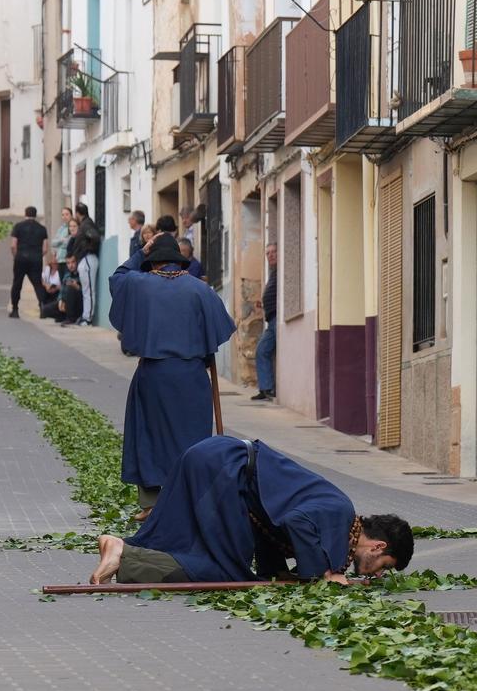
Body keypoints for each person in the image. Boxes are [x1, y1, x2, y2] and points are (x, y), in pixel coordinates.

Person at [90, 435, 413, 585]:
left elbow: (268, 529)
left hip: (215, 458)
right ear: (378, 546)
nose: (378, 572)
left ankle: (122, 548)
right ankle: (124, 555)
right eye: (385, 564)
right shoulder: (340, 513)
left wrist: (276, 573)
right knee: (223, 570)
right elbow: (296, 521)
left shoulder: (339, 519)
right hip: (227, 469)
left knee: (180, 539)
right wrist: (322, 575)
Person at [109, 234, 236, 514]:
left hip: (153, 374)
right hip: (192, 377)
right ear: (179, 260)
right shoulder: (201, 290)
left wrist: (139, 253)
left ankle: (151, 503)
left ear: (153, 262)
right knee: (192, 440)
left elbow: (118, 277)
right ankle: (190, 502)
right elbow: (220, 330)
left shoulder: (139, 283)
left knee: (147, 435)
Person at [8, 206, 51, 318]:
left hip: (21, 258)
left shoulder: (18, 227)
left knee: (17, 283)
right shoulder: (42, 229)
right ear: (35, 215)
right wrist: (37, 256)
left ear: (25, 214)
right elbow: (45, 248)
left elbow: (13, 245)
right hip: (35, 259)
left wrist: (16, 255)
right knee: (37, 284)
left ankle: (15, 309)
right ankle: (42, 307)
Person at [251, 243, 279, 402]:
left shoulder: (281, 271)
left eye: (274, 252)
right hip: (272, 319)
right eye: (268, 253)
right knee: (261, 350)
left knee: (263, 349)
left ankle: (267, 388)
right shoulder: (273, 273)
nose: (271, 255)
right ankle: (265, 388)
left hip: (276, 318)